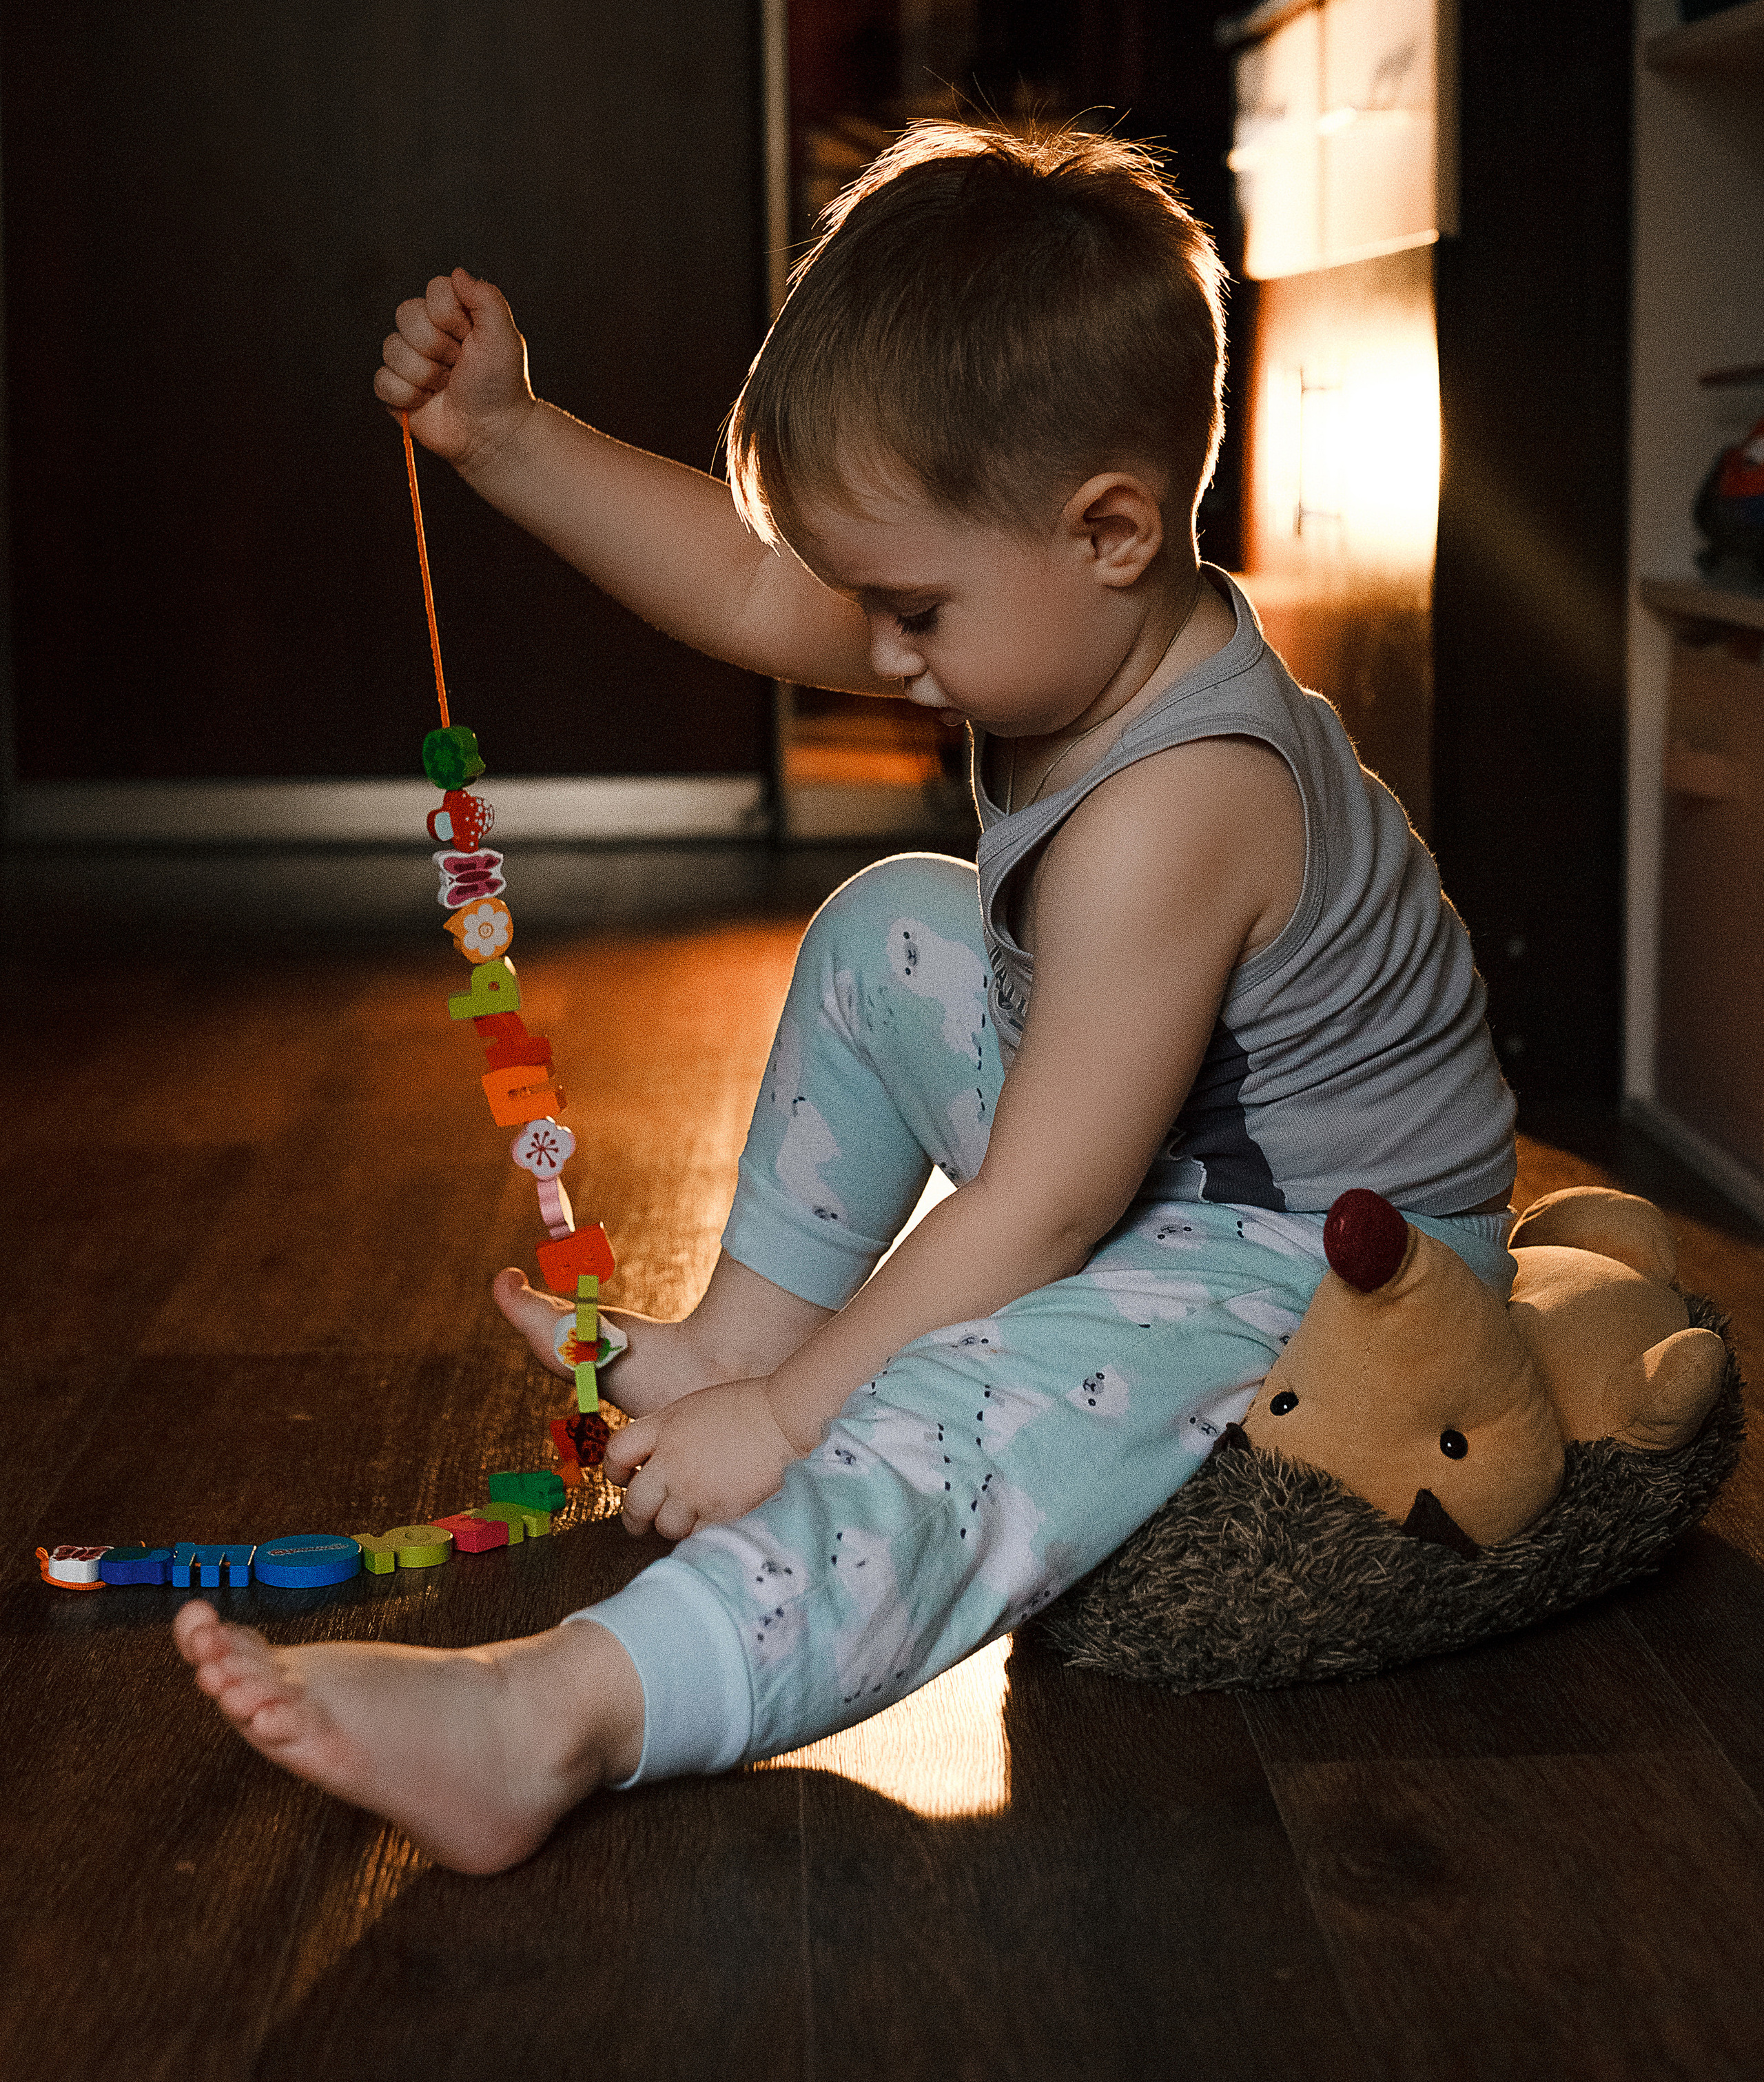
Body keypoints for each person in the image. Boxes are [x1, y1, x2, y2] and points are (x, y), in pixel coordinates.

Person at [174, 123, 1516, 1872]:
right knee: (896, 920)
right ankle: (738, 1332)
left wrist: (796, 1427)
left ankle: (551, 1717)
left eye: (908, 611)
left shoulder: (1177, 808)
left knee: (944, 1418)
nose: (877, 654)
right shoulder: (1052, 612)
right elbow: (745, 582)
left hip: (1324, 1254)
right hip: (1180, 1155)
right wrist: (507, 438)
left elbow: (1040, 1214)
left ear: (1105, 527)